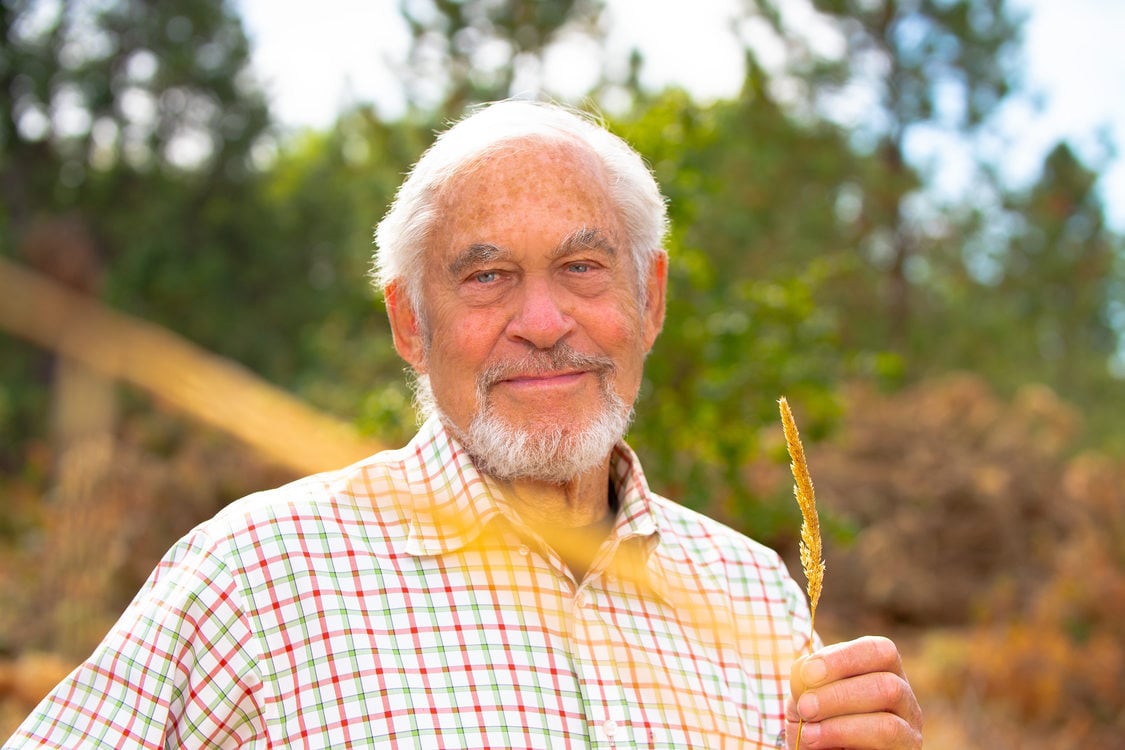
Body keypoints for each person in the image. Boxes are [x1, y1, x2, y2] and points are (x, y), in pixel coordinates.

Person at [5, 100, 922, 749]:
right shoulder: (256, 577)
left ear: (650, 300)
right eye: (486, 277)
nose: (542, 321)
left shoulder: (754, 597)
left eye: (582, 268)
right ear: (410, 322)